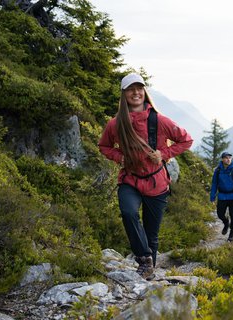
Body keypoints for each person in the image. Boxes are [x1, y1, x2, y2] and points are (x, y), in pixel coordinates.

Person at [98, 73, 193, 280]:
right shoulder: (115, 124)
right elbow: (104, 146)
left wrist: (164, 154)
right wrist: (119, 157)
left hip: (156, 181)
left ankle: (148, 274)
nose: (136, 93)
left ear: (145, 92)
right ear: (123, 94)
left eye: (139, 88)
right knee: (128, 212)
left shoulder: (159, 120)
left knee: (151, 234)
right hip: (130, 179)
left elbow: (186, 140)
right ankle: (144, 259)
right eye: (131, 89)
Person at [210, 152, 233, 242]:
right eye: (226, 158)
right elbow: (214, 184)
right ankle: (226, 223)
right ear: (222, 159)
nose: (228, 159)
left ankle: (232, 234)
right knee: (220, 214)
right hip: (222, 196)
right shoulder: (218, 171)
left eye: (229, 157)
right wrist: (212, 197)